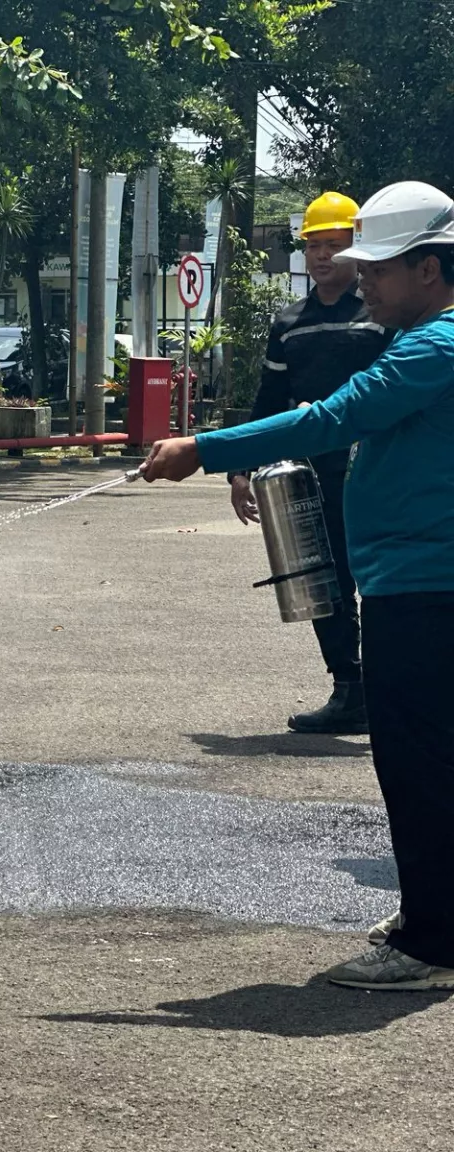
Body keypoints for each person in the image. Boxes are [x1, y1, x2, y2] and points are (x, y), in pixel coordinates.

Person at [142, 180, 454, 990]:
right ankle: (438, 911)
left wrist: (204, 449)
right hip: (418, 579)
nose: (366, 284)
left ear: (427, 269)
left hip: (425, 589)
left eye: (379, 269)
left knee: (418, 762)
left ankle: (430, 945)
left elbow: (330, 418)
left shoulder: (433, 348)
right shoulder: (427, 338)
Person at [227, 191, 393, 733]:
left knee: (380, 577)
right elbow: (270, 399)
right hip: (309, 476)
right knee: (320, 579)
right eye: (314, 246)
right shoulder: (289, 321)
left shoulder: (380, 317)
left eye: (335, 245)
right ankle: (349, 688)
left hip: (374, 470)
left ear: (357, 249)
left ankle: (393, 688)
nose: (323, 256)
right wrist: (240, 468)